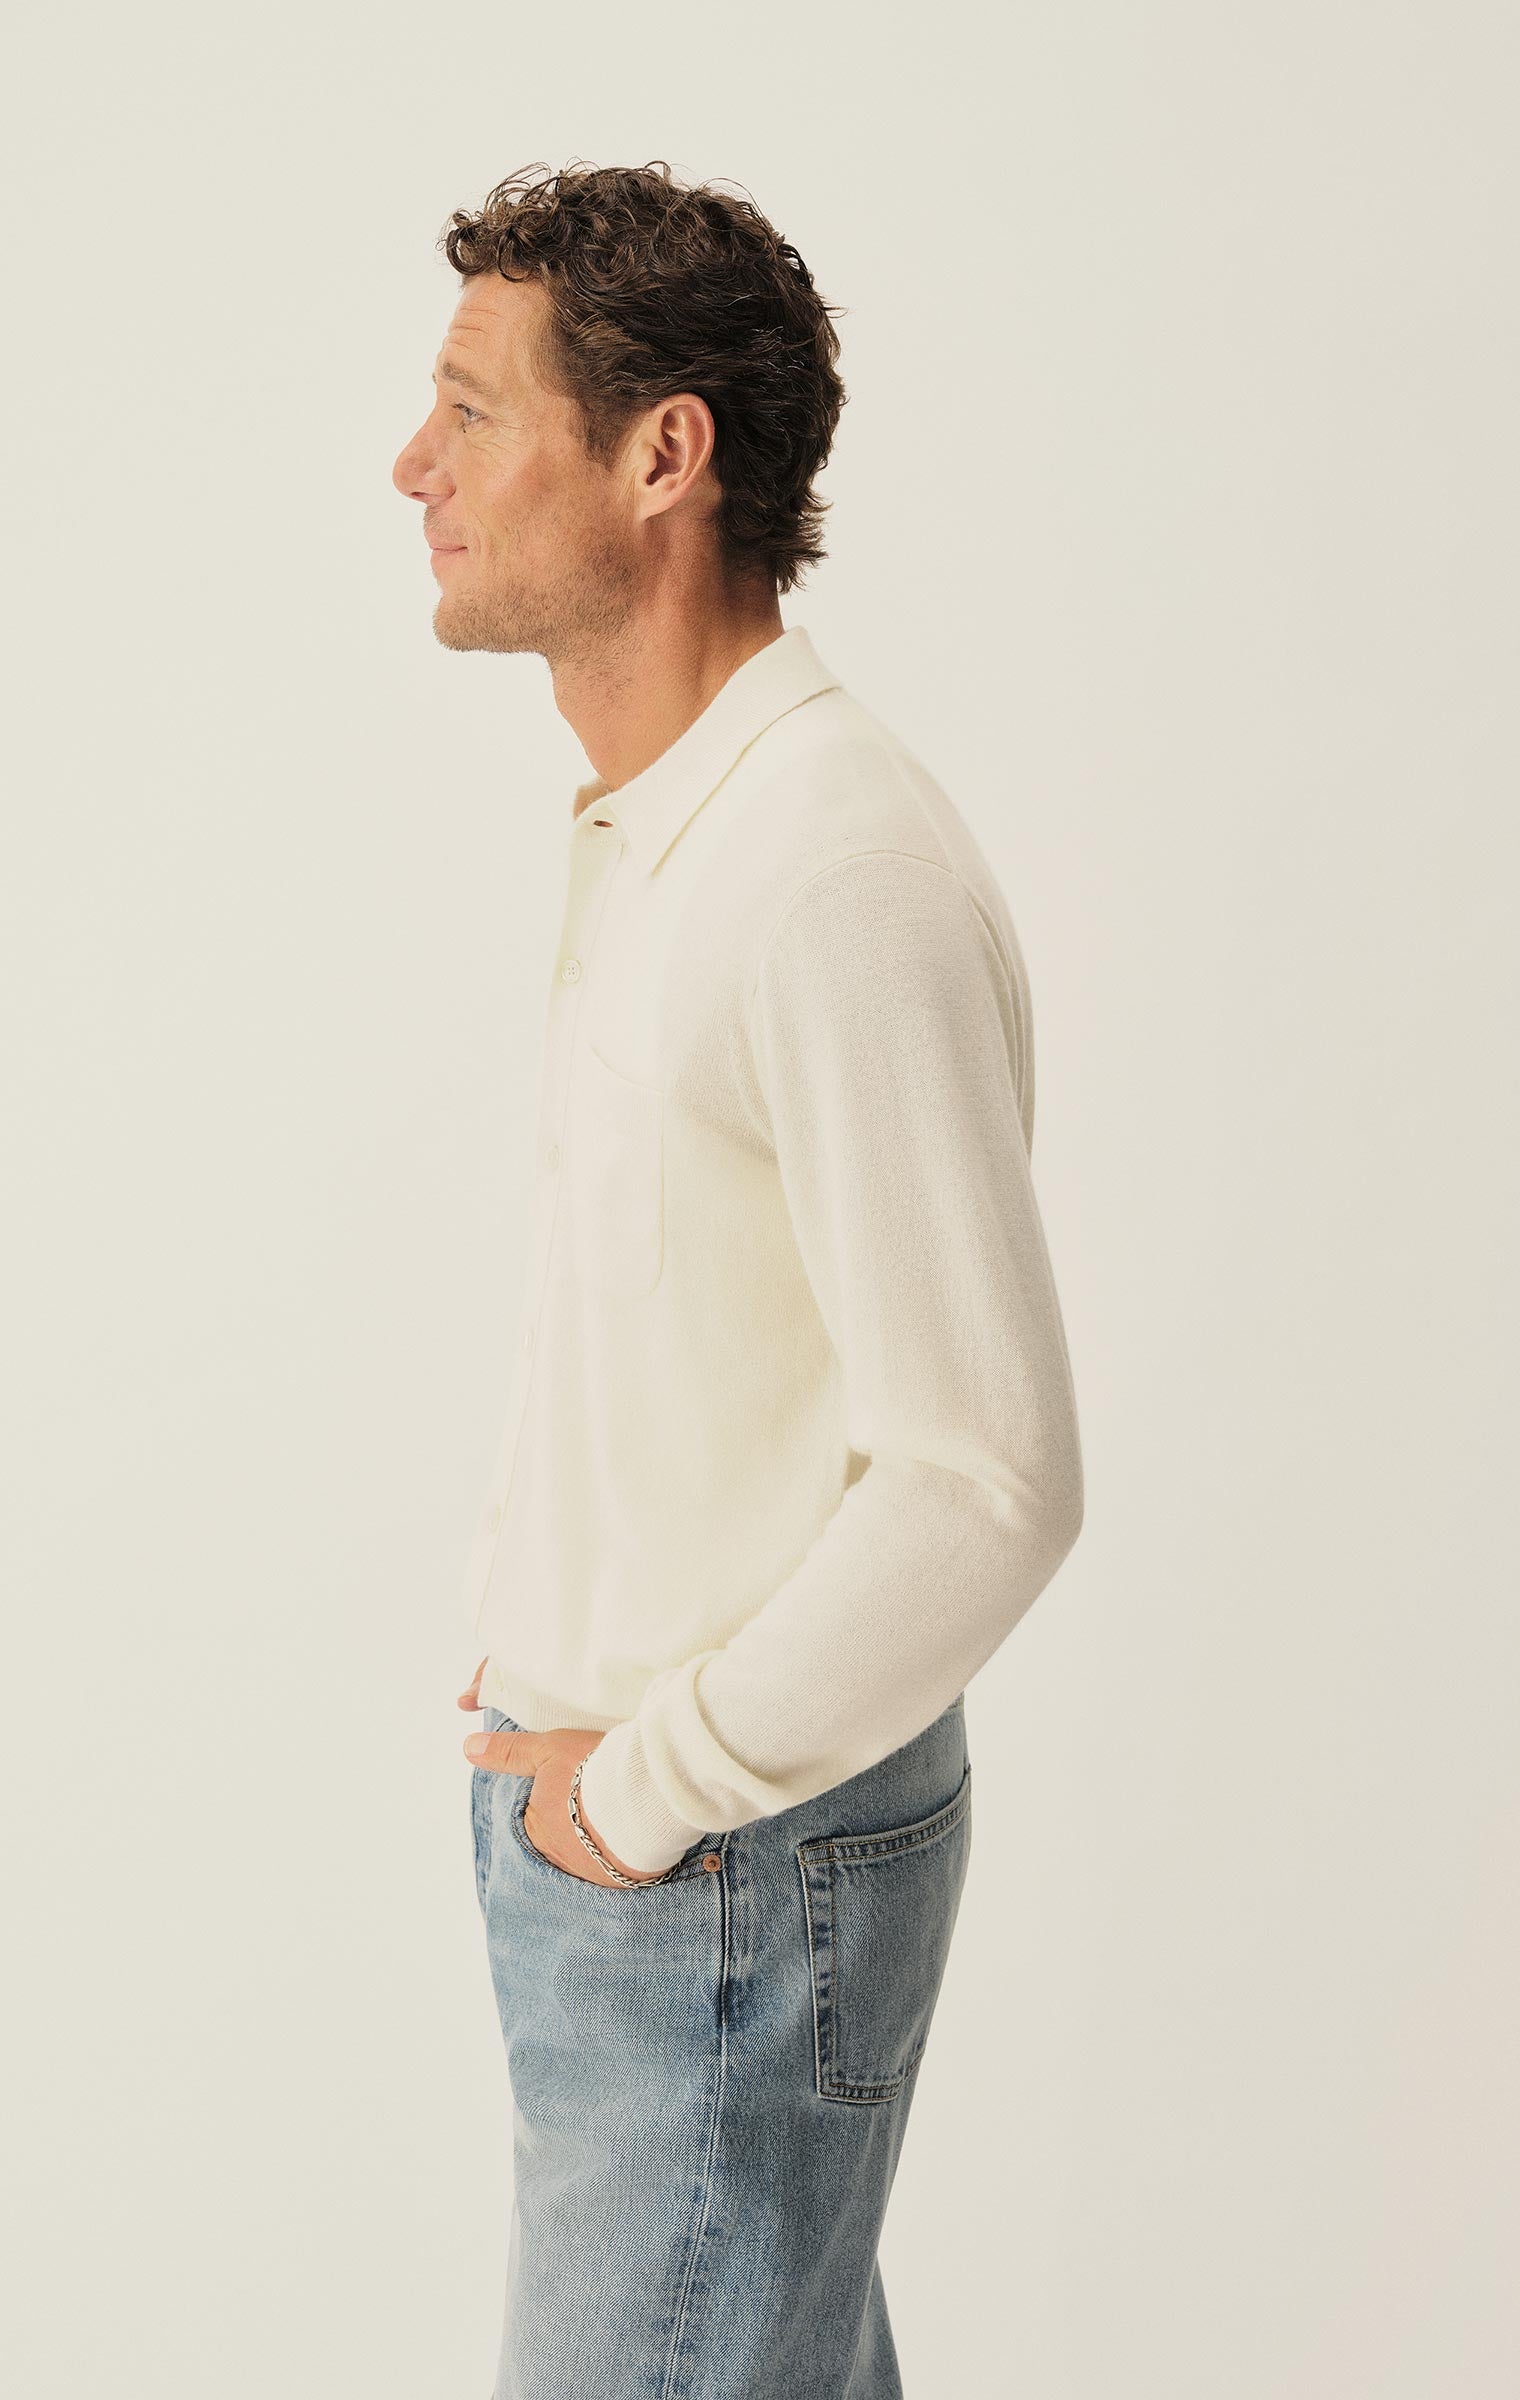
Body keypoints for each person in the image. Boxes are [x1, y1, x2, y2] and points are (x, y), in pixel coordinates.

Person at [391, 159, 1084, 2400]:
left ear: (660, 454)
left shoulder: (827, 872)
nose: (414, 468)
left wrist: (645, 1784)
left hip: (715, 1879)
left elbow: (986, 1480)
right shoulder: (670, 831)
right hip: (661, 1867)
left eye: (472, 412)